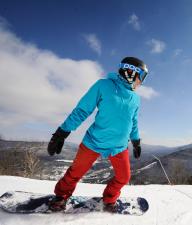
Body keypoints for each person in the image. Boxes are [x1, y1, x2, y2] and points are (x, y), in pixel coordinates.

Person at [47, 56, 148, 212]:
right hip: (94, 141)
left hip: (119, 146)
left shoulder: (136, 98)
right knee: (75, 172)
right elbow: (82, 110)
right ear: (131, 72)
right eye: (141, 77)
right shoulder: (103, 85)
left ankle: (109, 199)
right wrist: (62, 132)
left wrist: (136, 141)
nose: (141, 81)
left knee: (124, 177)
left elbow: (133, 122)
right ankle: (61, 196)